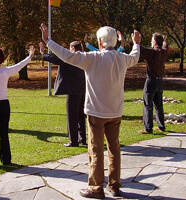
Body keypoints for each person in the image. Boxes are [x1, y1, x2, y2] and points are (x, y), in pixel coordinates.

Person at [40, 23, 141, 199]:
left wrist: (48, 40)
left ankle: (96, 188)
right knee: (114, 149)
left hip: (96, 113)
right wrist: (136, 43)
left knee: (95, 151)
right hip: (115, 112)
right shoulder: (122, 58)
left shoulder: (92, 58)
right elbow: (135, 56)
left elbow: (66, 55)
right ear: (114, 43)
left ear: (100, 43)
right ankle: (115, 186)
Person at [39, 41, 86, 147]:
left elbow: (55, 59)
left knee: (72, 117)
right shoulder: (84, 58)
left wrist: (43, 53)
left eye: (69, 48)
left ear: (73, 49)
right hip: (82, 90)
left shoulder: (70, 59)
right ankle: (82, 138)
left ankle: (73, 141)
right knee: (80, 116)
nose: (68, 51)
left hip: (72, 91)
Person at [138, 33, 168, 134]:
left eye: (152, 40)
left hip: (151, 81)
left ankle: (148, 128)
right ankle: (161, 126)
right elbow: (165, 46)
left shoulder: (152, 52)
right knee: (159, 105)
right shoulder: (163, 52)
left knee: (148, 105)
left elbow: (139, 48)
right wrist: (165, 41)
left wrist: (130, 41)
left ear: (154, 42)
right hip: (160, 81)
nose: (151, 42)